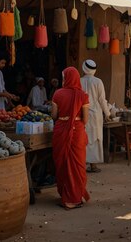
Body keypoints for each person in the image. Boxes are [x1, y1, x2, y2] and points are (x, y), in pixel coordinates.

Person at [51, 67, 91, 210]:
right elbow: (85, 119)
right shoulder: (83, 95)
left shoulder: (57, 94)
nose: (62, 80)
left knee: (62, 164)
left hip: (61, 131)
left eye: (63, 77)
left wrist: (65, 120)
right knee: (78, 165)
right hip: (78, 132)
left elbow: (54, 116)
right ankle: (75, 197)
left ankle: (66, 197)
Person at [80, 60, 111, 173]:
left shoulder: (79, 81)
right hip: (96, 114)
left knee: (83, 139)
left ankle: (82, 164)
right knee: (95, 138)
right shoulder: (98, 82)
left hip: (82, 113)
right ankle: (93, 165)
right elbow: (102, 100)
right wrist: (107, 113)